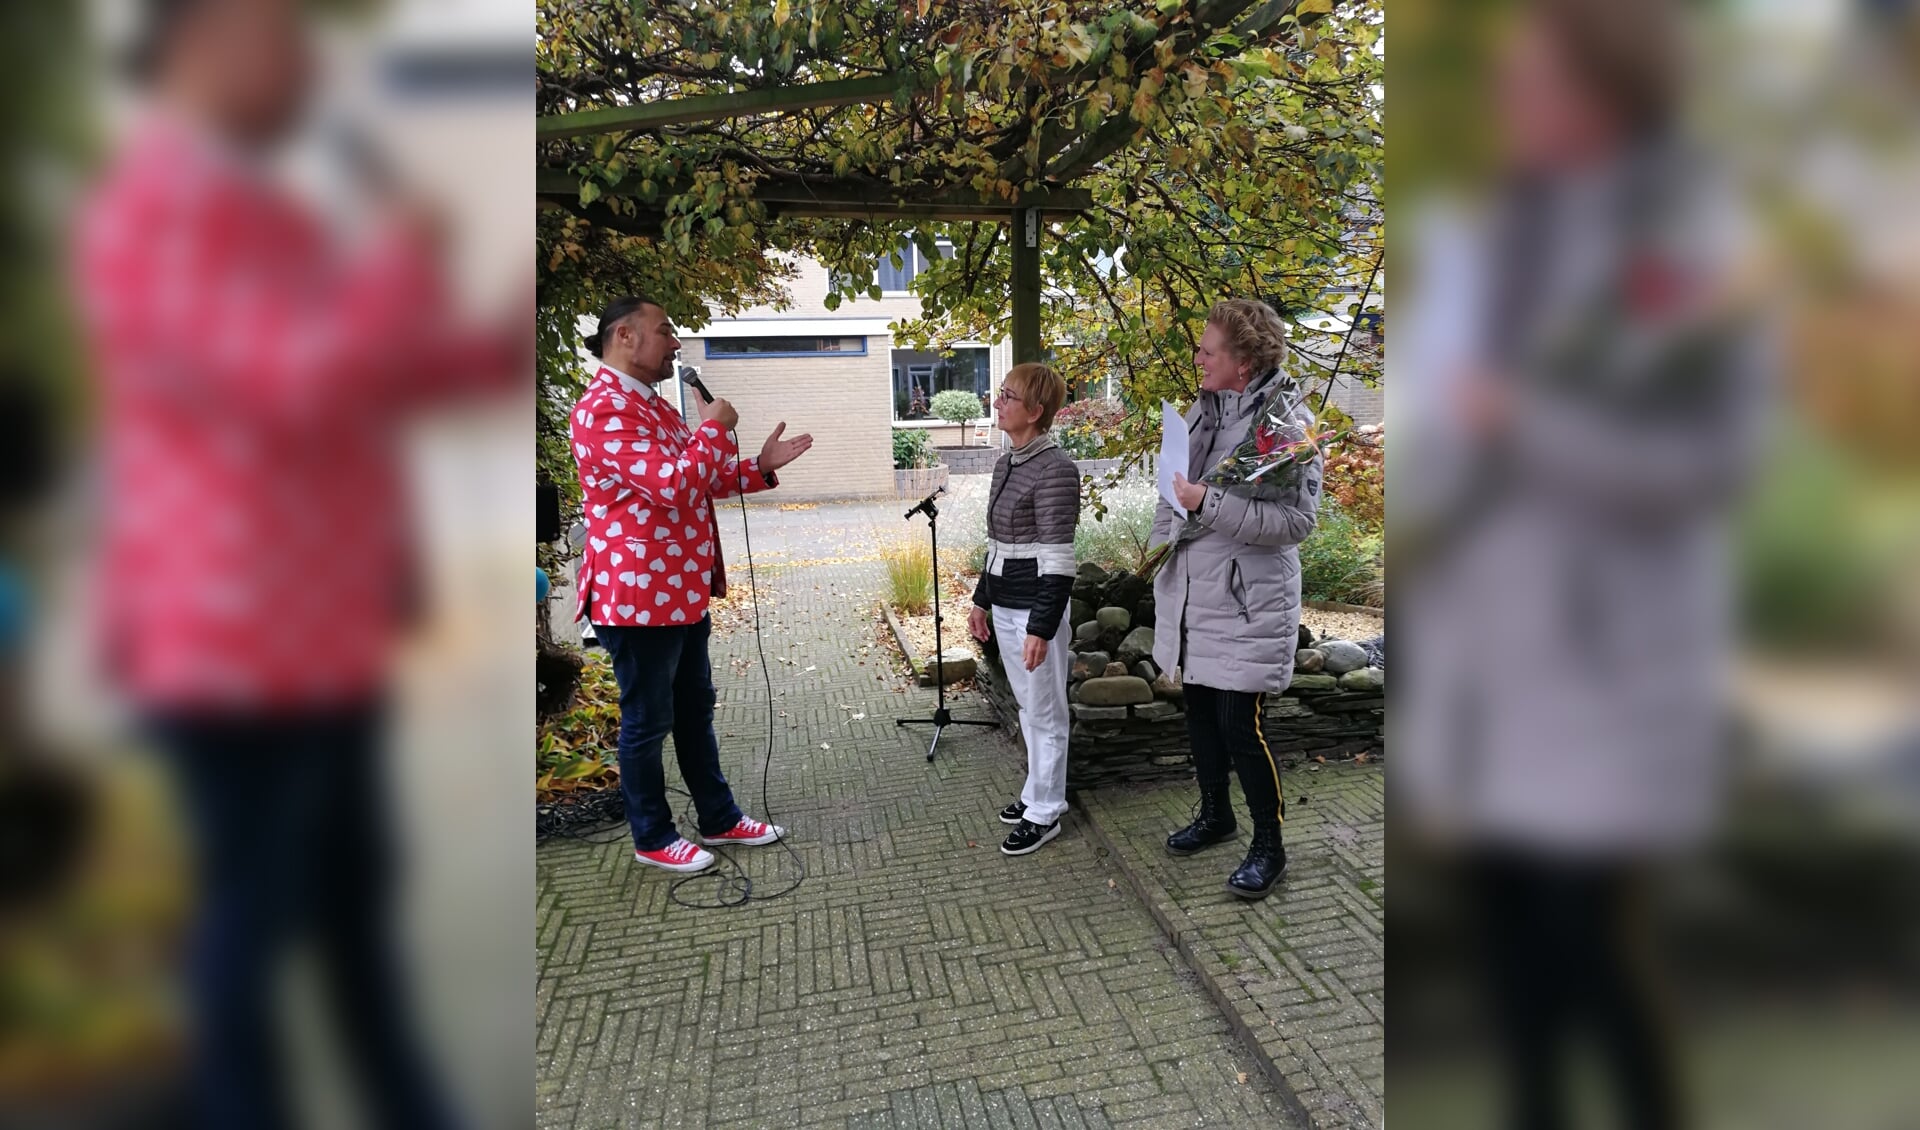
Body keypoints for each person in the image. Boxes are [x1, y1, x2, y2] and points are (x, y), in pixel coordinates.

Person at [70, 0, 523, 1126]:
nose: (300, 59)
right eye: (273, 30)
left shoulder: (267, 213)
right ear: (195, 39)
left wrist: (477, 345)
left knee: (353, 918)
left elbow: (372, 379)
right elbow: (295, 381)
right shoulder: (156, 207)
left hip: (324, 634)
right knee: (253, 932)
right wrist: (403, 256)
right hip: (233, 641)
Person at [1395, 0, 1769, 1125]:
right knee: (1507, 950)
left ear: (1605, 87)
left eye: (1531, 80)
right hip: (1484, 655)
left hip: (1609, 666)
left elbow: (1711, 464)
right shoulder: (1496, 233)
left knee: (1582, 945)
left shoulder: (1688, 237)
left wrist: (1524, 421)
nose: (1506, 103)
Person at [570, 296, 814, 873]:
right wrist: (713, 429)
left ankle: (719, 817)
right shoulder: (602, 410)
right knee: (647, 720)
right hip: (635, 599)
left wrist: (756, 463)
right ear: (624, 336)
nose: (676, 344)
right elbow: (674, 486)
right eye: (666, 331)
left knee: (694, 708)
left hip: (678, 593)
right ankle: (652, 836)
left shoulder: (652, 406)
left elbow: (701, 478)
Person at [1150, 299, 1322, 900]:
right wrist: (1156, 551)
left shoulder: (1286, 428)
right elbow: (1170, 492)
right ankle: (1215, 815)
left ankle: (1268, 846)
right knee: (1198, 712)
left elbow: (1296, 522)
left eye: (1208, 350)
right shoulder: (1204, 412)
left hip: (1249, 600)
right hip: (1194, 589)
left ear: (1243, 362)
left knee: (1238, 725)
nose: (1196, 358)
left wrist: (1209, 504)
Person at [966, 364, 1080, 855]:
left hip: (1035, 611)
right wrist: (980, 599)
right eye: (1000, 393)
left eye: (1008, 396)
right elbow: (998, 543)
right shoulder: (1007, 462)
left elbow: (1057, 558)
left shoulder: (1057, 468)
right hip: (1007, 605)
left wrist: (1042, 626)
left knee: (1047, 712)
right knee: (1030, 708)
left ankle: (1046, 812)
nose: (998, 402)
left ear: (1035, 412)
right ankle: (1036, 792)